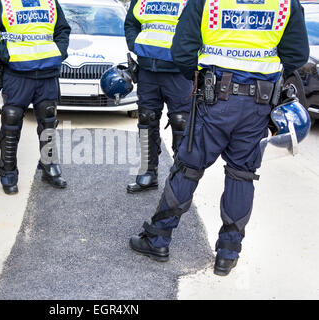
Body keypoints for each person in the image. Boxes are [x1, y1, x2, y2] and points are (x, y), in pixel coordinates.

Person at [129, 0, 309, 275]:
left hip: (214, 99)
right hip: (258, 104)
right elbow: (296, 55)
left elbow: (182, 51)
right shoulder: (284, 3)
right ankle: (227, 254)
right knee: (242, 173)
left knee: (188, 168)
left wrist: (202, 79)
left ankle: (158, 239)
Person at [0, 0, 71, 195]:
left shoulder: (49, 2)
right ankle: (8, 172)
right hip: (17, 73)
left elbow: (62, 29)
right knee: (11, 122)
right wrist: (5, 55)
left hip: (47, 73)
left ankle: (49, 167)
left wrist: (59, 51)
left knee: (48, 121)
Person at [124, 0, 193, 193]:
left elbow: (199, 26)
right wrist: (135, 44)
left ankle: (179, 178)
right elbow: (131, 23)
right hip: (147, 69)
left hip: (178, 71)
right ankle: (148, 172)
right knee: (146, 119)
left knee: (182, 122)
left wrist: (188, 55)